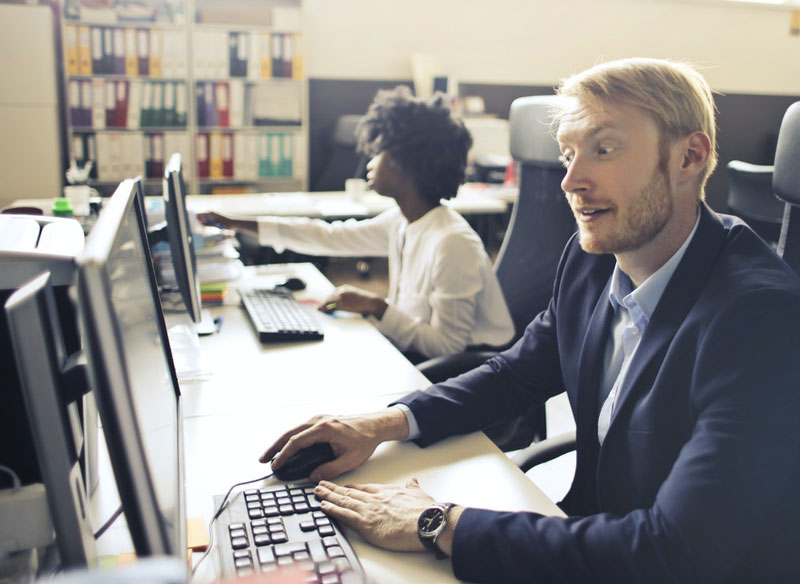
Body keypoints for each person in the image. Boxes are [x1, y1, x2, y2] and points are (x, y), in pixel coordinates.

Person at [259, 58, 800, 583]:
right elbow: (516, 374)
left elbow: (673, 554)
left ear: (689, 158)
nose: (570, 180)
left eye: (603, 149)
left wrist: (438, 523)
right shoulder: (593, 260)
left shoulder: (761, 320)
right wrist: (382, 424)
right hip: (583, 542)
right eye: (567, 154)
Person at [198, 86, 514, 361]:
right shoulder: (403, 221)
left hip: (462, 373)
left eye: (382, 151)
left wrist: (377, 306)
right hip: (416, 355)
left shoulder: (451, 243)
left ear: (409, 165)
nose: (371, 160)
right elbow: (327, 236)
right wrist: (237, 223)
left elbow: (447, 348)